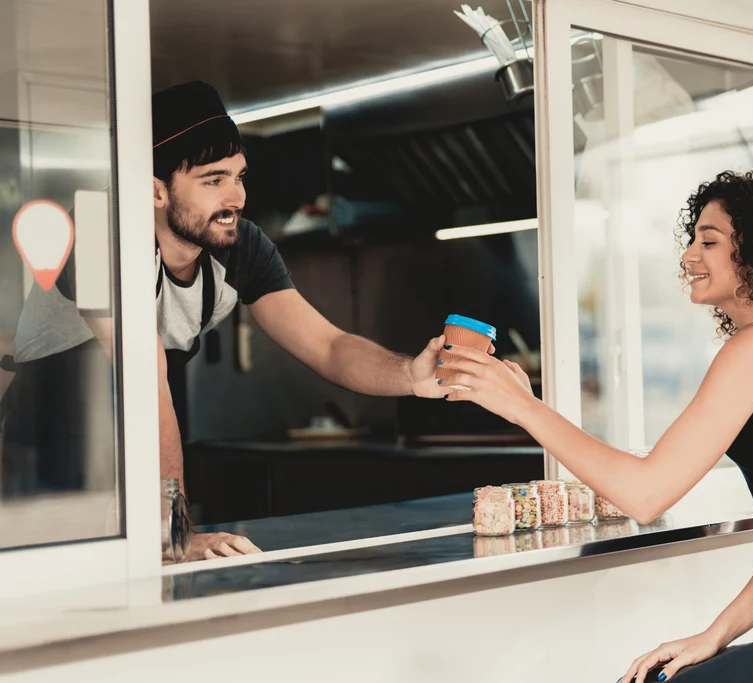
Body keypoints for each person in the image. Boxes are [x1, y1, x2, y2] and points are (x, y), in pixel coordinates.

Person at [439, 171, 753, 683]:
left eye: (708, 241)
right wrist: (714, 636)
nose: (689, 256)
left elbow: (645, 493)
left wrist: (522, 407)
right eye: (692, 240)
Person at [3, 81, 479, 561]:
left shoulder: (241, 247)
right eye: (214, 180)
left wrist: (410, 375)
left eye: (240, 175)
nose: (237, 197)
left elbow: (328, 346)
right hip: (47, 454)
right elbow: (146, 383)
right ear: (155, 190)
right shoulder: (99, 234)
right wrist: (173, 534)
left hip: (141, 439)